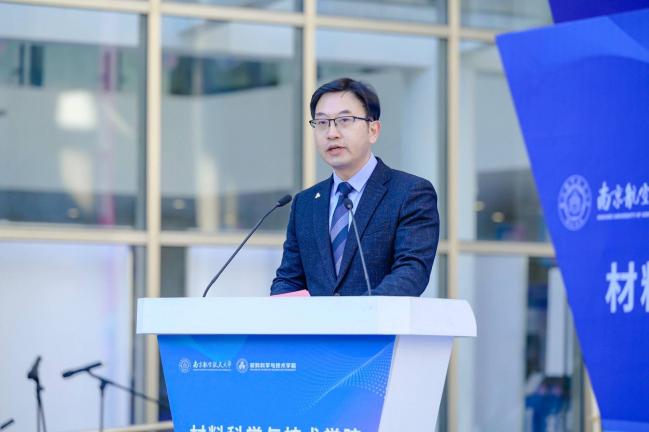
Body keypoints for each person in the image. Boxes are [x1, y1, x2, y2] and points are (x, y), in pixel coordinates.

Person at [270, 78, 439, 296]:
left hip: (377, 318)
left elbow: (411, 273)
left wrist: (360, 312)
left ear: (373, 130)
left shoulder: (410, 193)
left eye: (344, 120)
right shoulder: (305, 203)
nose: (332, 133)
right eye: (322, 122)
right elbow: (289, 279)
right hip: (317, 320)